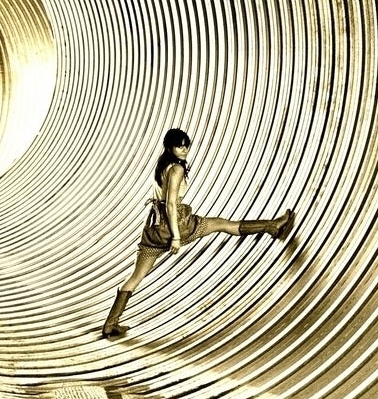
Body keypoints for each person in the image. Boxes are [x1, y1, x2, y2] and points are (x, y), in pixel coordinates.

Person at [101, 128, 295, 339]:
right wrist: (176, 236)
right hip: (174, 225)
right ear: (170, 147)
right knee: (223, 224)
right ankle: (272, 226)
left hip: (153, 230)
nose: (184, 149)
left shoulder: (163, 166)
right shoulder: (176, 170)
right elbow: (171, 206)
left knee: (136, 276)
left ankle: (111, 324)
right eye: (179, 146)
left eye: (186, 145)